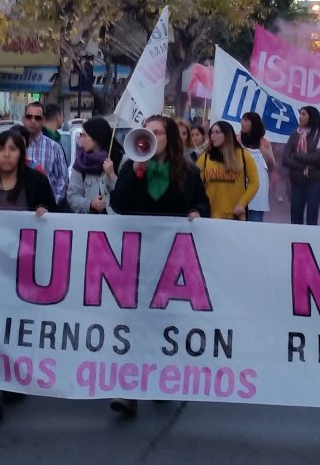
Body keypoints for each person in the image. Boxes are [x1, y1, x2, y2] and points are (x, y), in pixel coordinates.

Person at [109, 114, 210, 415]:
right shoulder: (133, 166)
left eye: (157, 132)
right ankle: (129, 389)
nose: (151, 136)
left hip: (172, 261)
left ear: (170, 139)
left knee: (165, 323)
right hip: (136, 260)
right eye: (147, 131)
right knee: (134, 322)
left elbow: (202, 203)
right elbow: (118, 204)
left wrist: (196, 211)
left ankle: (161, 377)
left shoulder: (187, 173)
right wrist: (134, 169)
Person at [0, 127, 55, 422]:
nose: (7, 154)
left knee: (18, 323)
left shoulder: (37, 182)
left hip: (26, 267)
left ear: (21, 153)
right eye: (1, 149)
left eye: (13, 149)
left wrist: (44, 212)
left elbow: (55, 213)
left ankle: (14, 375)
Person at [197, 120, 259, 220]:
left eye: (217, 132)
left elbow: (254, 183)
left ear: (227, 134)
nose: (213, 136)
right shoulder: (204, 157)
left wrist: (242, 203)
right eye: (211, 133)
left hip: (236, 217)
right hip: (211, 217)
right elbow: (196, 186)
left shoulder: (244, 155)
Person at [67, 116, 122, 214]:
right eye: (80, 135)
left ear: (97, 137)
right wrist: (90, 204)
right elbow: (72, 196)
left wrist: (112, 176)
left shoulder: (120, 160)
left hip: (115, 224)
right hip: (90, 224)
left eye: (84, 135)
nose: (81, 139)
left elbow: (126, 196)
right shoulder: (81, 162)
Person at [282, 106, 320, 226]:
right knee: (295, 220)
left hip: (315, 182)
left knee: (311, 220)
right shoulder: (294, 135)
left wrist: (296, 156)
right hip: (297, 183)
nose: (300, 117)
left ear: (311, 116)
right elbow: (285, 159)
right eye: (300, 114)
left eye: (303, 114)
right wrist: (303, 166)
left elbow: (317, 158)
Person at [23, 101, 68, 206]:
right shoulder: (13, 145)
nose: (33, 121)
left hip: (46, 211)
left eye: (37, 118)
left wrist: (52, 203)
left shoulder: (54, 148)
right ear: (24, 119)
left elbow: (62, 179)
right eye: (29, 117)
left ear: (43, 120)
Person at [239, 111, 275, 222]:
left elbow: (273, 166)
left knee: (255, 222)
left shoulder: (264, 143)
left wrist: (265, 152)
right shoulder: (237, 140)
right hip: (240, 187)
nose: (242, 123)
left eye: (245, 120)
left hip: (258, 191)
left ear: (253, 123)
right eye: (242, 120)